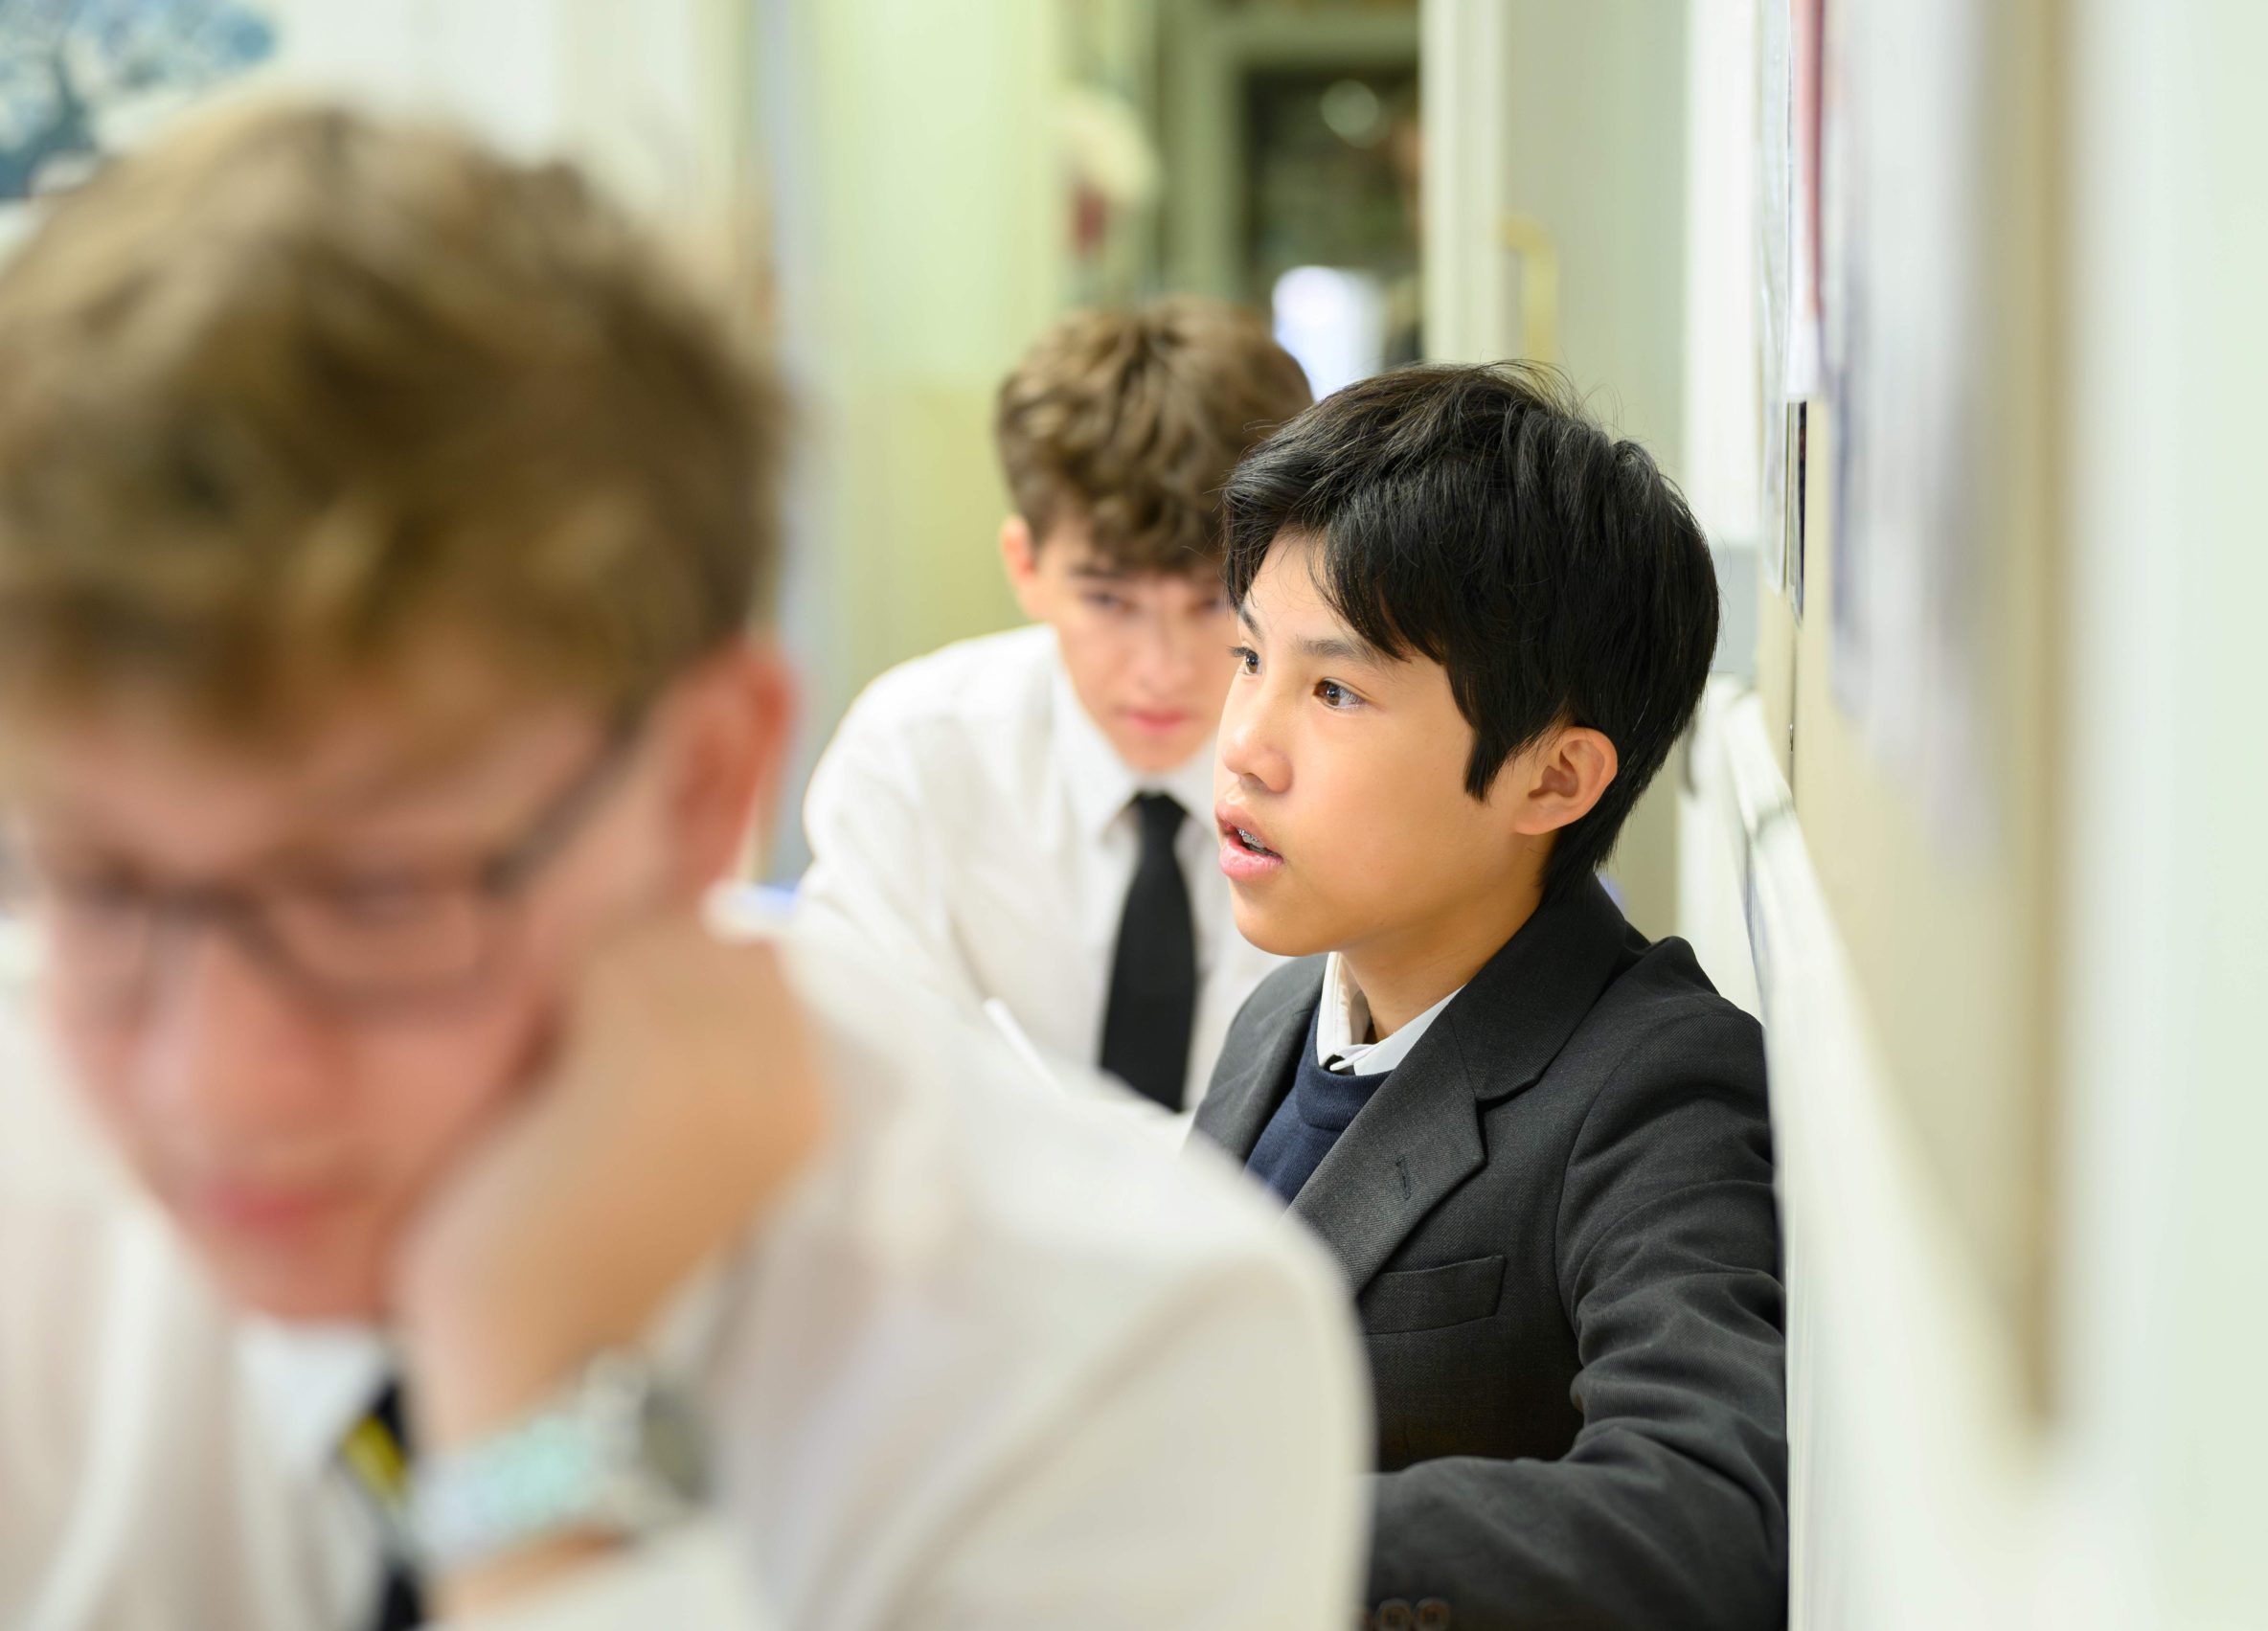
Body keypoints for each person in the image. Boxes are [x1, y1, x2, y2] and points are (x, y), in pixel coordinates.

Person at [0, 102, 1368, 1631]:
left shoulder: (1122, 1349)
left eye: (371, 897)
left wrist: (544, 1447)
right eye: (96, 887)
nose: (214, 1080)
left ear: (706, 780)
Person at [1192, 364, 1787, 1630]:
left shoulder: (1658, 1083)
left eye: (1334, 689)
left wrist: (1238, 1533)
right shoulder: (1283, 1010)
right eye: (1249, 654)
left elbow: (1710, 1509)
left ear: (1553, 779)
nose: (1244, 737)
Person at [800, 300, 1311, 1116]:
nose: (1162, 669)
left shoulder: (1357, 775)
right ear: (1026, 564)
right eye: (1109, 600)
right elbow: (866, 1096)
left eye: (1214, 600)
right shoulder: (913, 757)